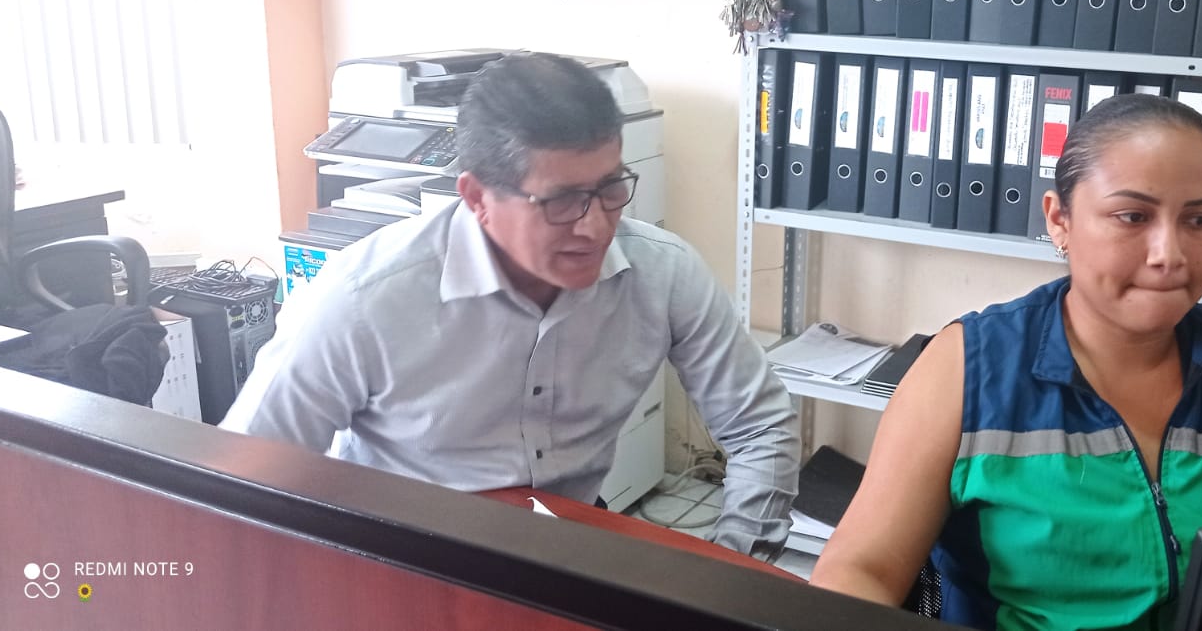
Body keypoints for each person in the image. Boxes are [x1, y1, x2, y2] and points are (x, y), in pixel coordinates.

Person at [809, 93, 1202, 629]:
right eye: (1133, 216)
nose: (1169, 254)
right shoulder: (967, 369)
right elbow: (857, 573)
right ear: (1059, 219)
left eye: (1199, 221)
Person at [222, 53, 800, 560]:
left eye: (610, 188)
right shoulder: (362, 298)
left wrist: (735, 568)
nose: (596, 226)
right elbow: (245, 471)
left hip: (567, 538)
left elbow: (761, 425)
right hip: (403, 550)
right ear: (477, 197)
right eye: (562, 200)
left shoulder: (663, 271)